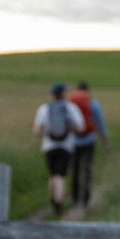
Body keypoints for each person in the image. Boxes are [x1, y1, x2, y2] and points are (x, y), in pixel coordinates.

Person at [34, 82, 79, 212]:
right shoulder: (70, 108)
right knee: (60, 175)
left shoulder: (44, 109)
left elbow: (37, 130)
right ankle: (58, 204)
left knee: (52, 174)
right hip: (66, 146)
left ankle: (52, 200)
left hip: (48, 146)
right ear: (63, 94)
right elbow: (80, 127)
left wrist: (43, 139)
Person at [66, 80, 108, 209]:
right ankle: (86, 198)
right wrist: (104, 141)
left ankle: (74, 197)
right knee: (87, 169)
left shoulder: (70, 103)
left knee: (75, 169)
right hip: (89, 140)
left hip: (73, 141)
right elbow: (100, 123)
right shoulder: (93, 103)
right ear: (87, 91)